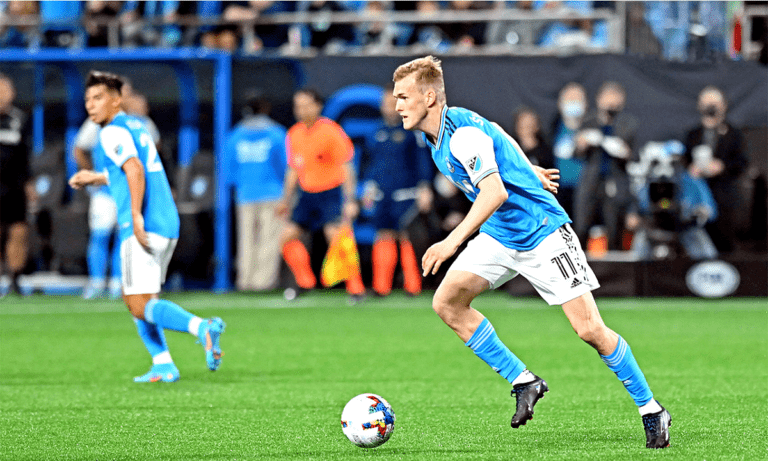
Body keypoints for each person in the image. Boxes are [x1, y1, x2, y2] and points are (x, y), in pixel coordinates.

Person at [391, 56, 670, 449]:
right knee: (448, 303)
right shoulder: (439, 131)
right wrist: (526, 169)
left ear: (429, 97)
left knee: (590, 330)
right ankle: (524, 381)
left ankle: (652, 410)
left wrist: (451, 241)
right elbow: (498, 134)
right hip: (501, 235)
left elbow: (494, 192)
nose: (397, 105)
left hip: (543, 233)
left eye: (403, 96)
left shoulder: (461, 136)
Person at [68, 71, 225, 383]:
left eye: (98, 98)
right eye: (87, 99)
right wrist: (97, 177)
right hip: (167, 222)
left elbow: (135, 169)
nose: (90, 105)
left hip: (144, 223)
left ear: (116, 100)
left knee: (138, 304)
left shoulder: (111, 132)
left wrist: (136, 216)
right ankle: (163, 364)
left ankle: (201, 327)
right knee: (141, 299)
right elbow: (132, 168)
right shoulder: (137, 126)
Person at [74, 82, 161, 300]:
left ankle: (117, 282)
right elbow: (79, 148)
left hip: (130, 191)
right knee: (100, 235)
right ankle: (96, 282)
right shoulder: (97, 119)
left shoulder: (142, 123)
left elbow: (155, 149)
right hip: (104, 192)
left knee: (126, 238)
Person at [277, 88, 365, 302]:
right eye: (298, 106)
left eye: (306, 105)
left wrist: (350, 200)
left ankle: (356, 289)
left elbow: (346, 167)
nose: (302, 110)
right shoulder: (294, 133)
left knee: (338, 239)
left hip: (330, 192)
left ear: (318, 106)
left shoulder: (331, 131)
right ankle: (305, 282)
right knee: (286, 238)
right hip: (307, 194)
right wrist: (285, 200)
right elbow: (293, 170)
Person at [358, 86, 433, 297]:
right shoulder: (375, 132)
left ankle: (413, 286)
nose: (389, 108)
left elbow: (422, 162)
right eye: (386, 104)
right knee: (383, 235)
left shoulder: (413, 130)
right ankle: (381, 287)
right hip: (382, 194)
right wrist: (368, 189)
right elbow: (369, 165)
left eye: (393, 103)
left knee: (406, 236)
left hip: (406, 193)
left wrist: (424, 187)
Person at [224, 90, 287, 291]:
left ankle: (245, 280)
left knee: (246, 240)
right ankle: (264, 282)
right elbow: (285, 166)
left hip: (245, 194)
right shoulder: (276, 133)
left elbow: (228, 170)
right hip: (272, 193)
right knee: (269, 239)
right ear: (265, 108)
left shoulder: (235, 135)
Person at [573, 81, 639, 251]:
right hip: (591, 181)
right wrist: (582, 143)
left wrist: (620, 149)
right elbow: (577, 152)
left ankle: (614, 263)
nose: (611, 105)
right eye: (608, 100)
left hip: (615, 182)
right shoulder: (588, 121)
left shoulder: (627, 123)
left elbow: (631, 154)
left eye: (615, 101)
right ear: (599, 99)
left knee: (614, 227)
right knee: (582, 225)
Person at [683, 85, 749, 253]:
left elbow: (742, 163)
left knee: (724, 248)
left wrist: (721, 167)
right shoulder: (692, 134)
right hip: (697, 200)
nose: (710, 107)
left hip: (724, 200)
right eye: (706, 103)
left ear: (723, 106)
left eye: (714, 103)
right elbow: (683, 161)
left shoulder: (734, 134)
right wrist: (691, 169)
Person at [0, 73, 33, 297]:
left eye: (8, 91)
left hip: (14, 186)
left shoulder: (20, 119)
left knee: (18, 232)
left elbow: (24, 156)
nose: (6, 96)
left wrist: (29, 184)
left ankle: (15, 280)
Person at [550, 82, 588, 218]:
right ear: (560, 104)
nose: (573, 104)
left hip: (585, 191)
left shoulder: (591, 126)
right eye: (570, 100)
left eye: (577, 100)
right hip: (559, 191)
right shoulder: (553, 127)